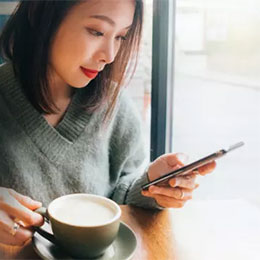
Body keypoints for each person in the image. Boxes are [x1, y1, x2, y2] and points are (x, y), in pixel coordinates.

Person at [0, 0, 216, 247]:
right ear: (42, 17)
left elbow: (121, 194)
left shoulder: (116, 105)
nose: (109, 55)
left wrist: (151, 185)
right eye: (97, 32)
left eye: (120, 37)